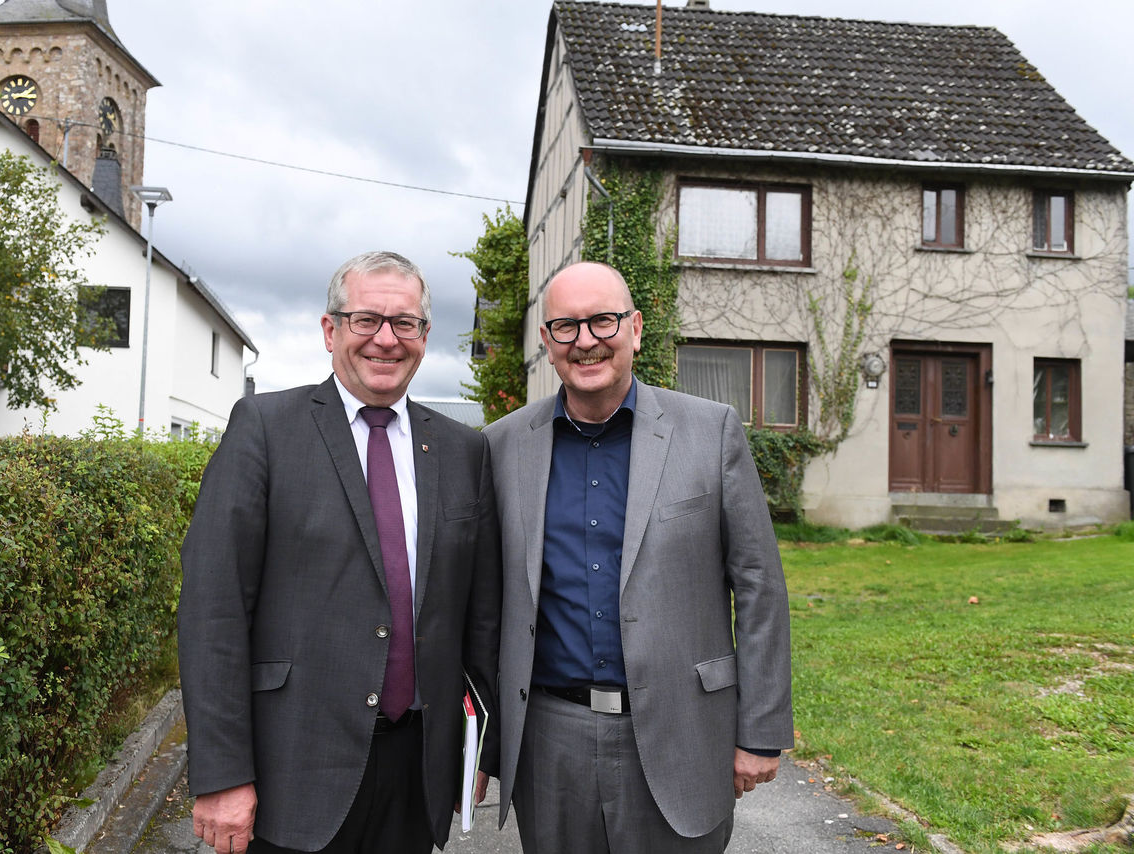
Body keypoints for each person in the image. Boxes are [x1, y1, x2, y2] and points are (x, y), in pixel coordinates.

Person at [179, 251, 501, 854]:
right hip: (292, 769)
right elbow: (212, 609)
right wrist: (223, 775)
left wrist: (475, 749)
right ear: (331, 331)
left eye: (404, 323)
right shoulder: (265, 428)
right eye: (366, 320)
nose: (386, 339)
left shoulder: (462, 451)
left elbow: (478, 620)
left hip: (417, 771)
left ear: (425, 337)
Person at [483, 261, 792, 853]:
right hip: (552, 739)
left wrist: (761, 730)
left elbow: (758, 585)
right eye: (566, 327)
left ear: (636, 329)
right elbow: (484, 604)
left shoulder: (711, 432)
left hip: (682, 729)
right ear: (547, 343)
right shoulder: (500, 447)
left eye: (603, 320)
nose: (587, 341)